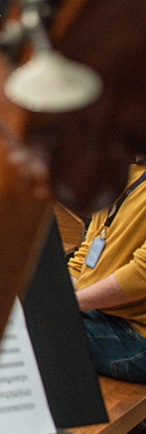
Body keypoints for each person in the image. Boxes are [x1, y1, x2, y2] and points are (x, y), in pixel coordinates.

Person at [69, 159, 146, 383]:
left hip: (137, 338)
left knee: (33, 334)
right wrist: (63, 298)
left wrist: (68, 306)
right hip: (107, 317)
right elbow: (83, 257)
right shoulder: (121, 176)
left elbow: (140, 276)